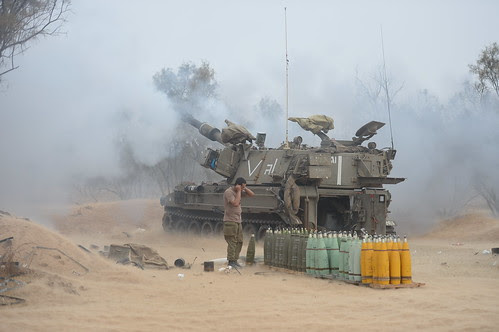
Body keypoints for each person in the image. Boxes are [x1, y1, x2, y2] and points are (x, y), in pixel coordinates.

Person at [223, 177, 254, 268]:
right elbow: (235, 203)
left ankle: (235, 260)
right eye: (242, 186)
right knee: (232, 242)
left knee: (239, 241)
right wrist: (239, 191)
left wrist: (244, 188)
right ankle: (231, 261)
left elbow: (252, 194)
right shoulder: (229, 192)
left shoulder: (238, 191)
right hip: (230, 220)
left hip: (238, 221)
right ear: (237, 185)